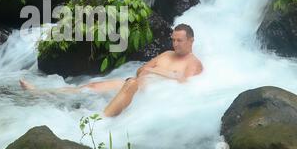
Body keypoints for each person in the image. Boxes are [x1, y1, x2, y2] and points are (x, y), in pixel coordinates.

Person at [20, 23, 203, 117]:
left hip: (152, 97)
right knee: (90, 87)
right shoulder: (166, 54)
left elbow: (184, 83)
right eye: (174, 40)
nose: (175, 43)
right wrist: (148, 73)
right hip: (138, 85)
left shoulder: (193, 63)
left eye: (180, 40)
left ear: (191, 41)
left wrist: (154, 72)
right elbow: (142, 69)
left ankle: (100, 123)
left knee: (130, 83)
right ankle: (41, 92)